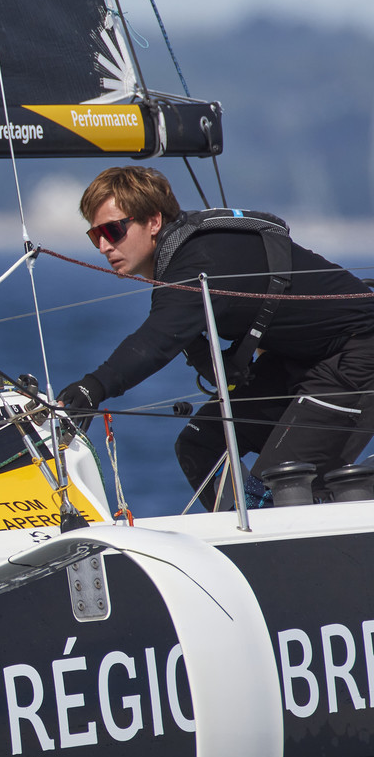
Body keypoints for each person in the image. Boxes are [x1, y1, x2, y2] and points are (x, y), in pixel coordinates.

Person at [58, 166, 374, 508]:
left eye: (113, 230)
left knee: (278, 485)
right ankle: (244, 525)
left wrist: (93, 387)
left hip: (358, 354)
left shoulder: (198, 260)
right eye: (95, 235)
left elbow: (160, 337)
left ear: (153, 221)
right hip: (300, 358)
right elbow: (182, 326)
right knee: (199, 444)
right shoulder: (183, 256)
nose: (104, 246)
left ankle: (269, 524)